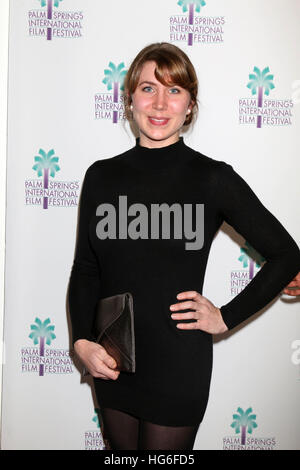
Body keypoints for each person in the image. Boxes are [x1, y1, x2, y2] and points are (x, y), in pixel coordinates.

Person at [68, 42, 300, 450]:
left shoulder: (211, 178)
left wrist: (225, 317)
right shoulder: (101, 177)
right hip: (113, 362)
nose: (160, 103)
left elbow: (287, 255)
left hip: (178, 364)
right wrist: (82, 341)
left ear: (190, 105)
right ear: (129, 99)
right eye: (148, 88)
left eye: (174, 90)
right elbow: (86, 269)